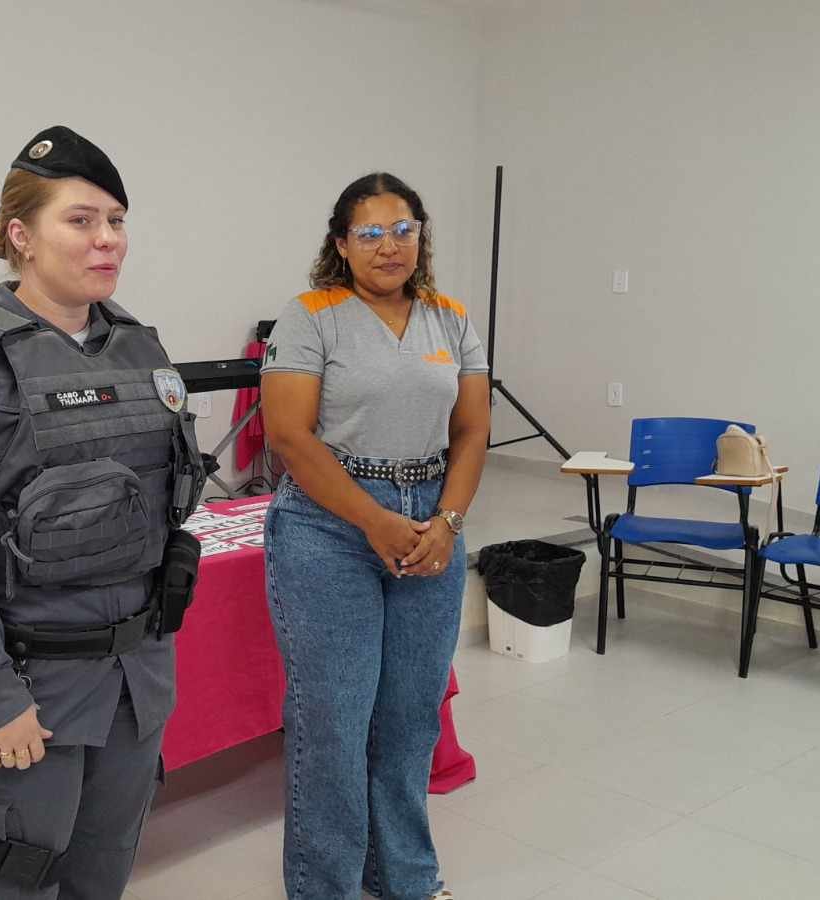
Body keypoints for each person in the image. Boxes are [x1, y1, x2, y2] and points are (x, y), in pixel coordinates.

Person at [0, 125, 205, 900]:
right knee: (10, 881)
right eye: (81, 220)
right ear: (21, 236)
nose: (108, 239)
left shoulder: (140, 350)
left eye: (116, 220)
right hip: (27, 691)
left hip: (132, 685)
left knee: (103, 872)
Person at [259, 172, 491, 900]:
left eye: (403, 230)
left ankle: (403, 878)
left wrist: (447, 523)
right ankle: (324, 886)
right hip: (327, 526)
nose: (389, 246)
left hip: (431, 519)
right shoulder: (312, 316)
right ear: (341, 243)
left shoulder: (450, 317)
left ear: (421, 237)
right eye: (369, 233)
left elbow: (472, 431)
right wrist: (374, 519)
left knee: (411, 717)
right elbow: (289, 437)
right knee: (333, 721)